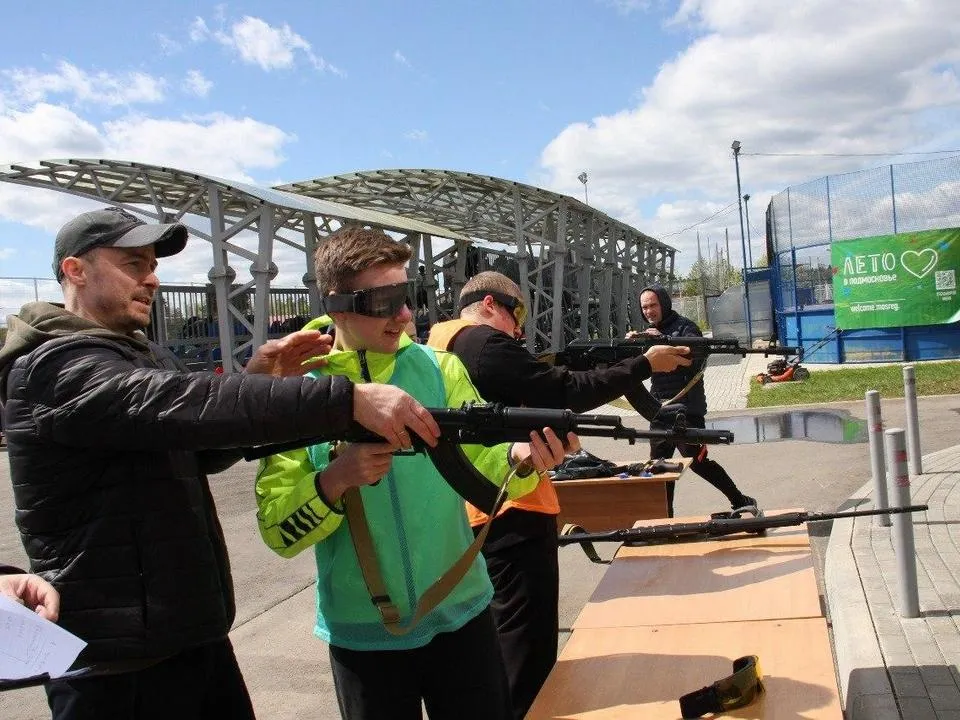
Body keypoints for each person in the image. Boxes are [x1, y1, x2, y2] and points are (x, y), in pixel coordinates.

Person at [0, 207, 442, 720]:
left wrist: (261, 379)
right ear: (75, 270)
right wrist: (344, 400)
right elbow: (173, 404)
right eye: (133, 263)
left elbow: (199, 447)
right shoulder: (53, 365)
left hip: (188, 637)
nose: (152, 278)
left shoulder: (144, 356)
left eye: (152, 264)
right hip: (112, 663)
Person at [254, 227, 576, 720]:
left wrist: (522, 460)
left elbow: (482, 470)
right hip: (362, 635)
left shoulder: (439, 368)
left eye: (408, 296)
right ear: (337, 306)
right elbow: (279, 530)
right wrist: (335, 480)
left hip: (462, 612)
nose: (405, 315)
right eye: (384, 301)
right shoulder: (299, 388)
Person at [427, 270, 692, 719]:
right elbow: (565, 390)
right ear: (490, 304)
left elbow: (541, 387)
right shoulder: (484, 345)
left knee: (499, 642)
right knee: (526, 653)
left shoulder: (438, 347)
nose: (520, 329)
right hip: (513, 508)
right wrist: (644, 364)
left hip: (476, 508)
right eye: (518, 313)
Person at [629, 285, 758, 516]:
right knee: (659, 468)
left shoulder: (686, 327)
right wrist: (633, 346)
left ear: (664, 304)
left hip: (687, 408)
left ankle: (740, 500)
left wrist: (664, 340)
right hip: (661, 410)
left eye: (653, 305)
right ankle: (665, 520)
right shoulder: (648, 334)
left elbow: (697, 357)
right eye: (645, 307)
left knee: (697, 461)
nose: (649, 311)